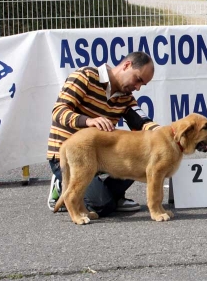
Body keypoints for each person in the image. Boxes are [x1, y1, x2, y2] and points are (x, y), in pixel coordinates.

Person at [46, 51, 160, 215]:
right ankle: (62, 184)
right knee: (102, 206)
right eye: (138, 79)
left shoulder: (126, 97)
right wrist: (88, 121)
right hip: (69, 157)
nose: (137, 87)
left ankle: (109, 195)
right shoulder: (85, 76)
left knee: (141, 158)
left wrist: (172, 135)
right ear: (126, 65)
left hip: (101, 158)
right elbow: (58, 111)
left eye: (142, 85)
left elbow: (143, 123)